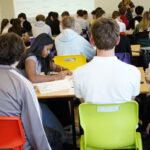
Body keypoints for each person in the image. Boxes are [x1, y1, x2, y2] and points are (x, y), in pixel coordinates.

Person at [0, 32, 52, 150]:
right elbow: (35, 128)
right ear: (20, 54)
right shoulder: (22, 83)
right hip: (17, 145)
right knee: (56, 137)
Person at [73, 18, 141, 104]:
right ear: (118, 40)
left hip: (93, 117)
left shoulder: (78, 73)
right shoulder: (133, 72)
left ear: (92, 41)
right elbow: (131, 102)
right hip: (122, 117)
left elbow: (83, 104)